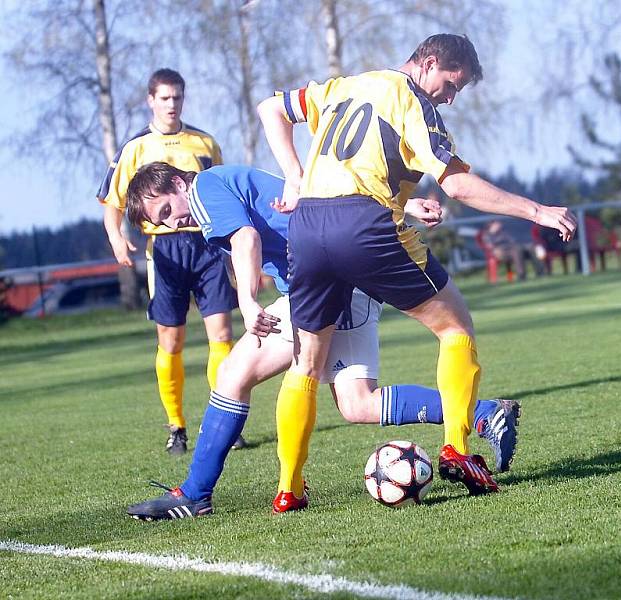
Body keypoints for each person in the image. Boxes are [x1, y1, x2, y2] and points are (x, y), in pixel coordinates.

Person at [258, 33, 576, 511]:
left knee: (307, 362)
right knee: (455, 327)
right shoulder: (413, 101)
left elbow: (271, 109)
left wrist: (294, 174)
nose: (451, 97)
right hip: (363, 226)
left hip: (305, 227)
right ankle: (458, 449)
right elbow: (458, 184)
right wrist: (535, 211)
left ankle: (289, 489)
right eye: (451, 84)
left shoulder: (346, 85)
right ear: (427, 64)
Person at [122, 163, 520, 520]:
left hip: (323, 284)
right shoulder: (223, 184)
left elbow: (246, 239)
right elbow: (323, 196)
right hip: (332, 280)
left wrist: (245, 301)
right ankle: (485, 413)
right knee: (356, 403)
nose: (172, 223)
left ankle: (198, 494)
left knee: (233, 375)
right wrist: (403, 206)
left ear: (177, 183)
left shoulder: (203, 189)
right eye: (162, 223)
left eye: (166, 211)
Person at [97, 69, 240, 454]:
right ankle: (176, 425)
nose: (172, 104)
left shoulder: (203, 142)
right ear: (151, 100)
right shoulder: (135, 148)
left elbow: (222, 191)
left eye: (177, 97)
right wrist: (116, 237)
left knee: (223, 336)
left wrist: (239, 252)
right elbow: (111, 201)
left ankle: (225, 416)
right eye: (164, 98)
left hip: (207, 246)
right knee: (171, 340)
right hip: (165, 252)